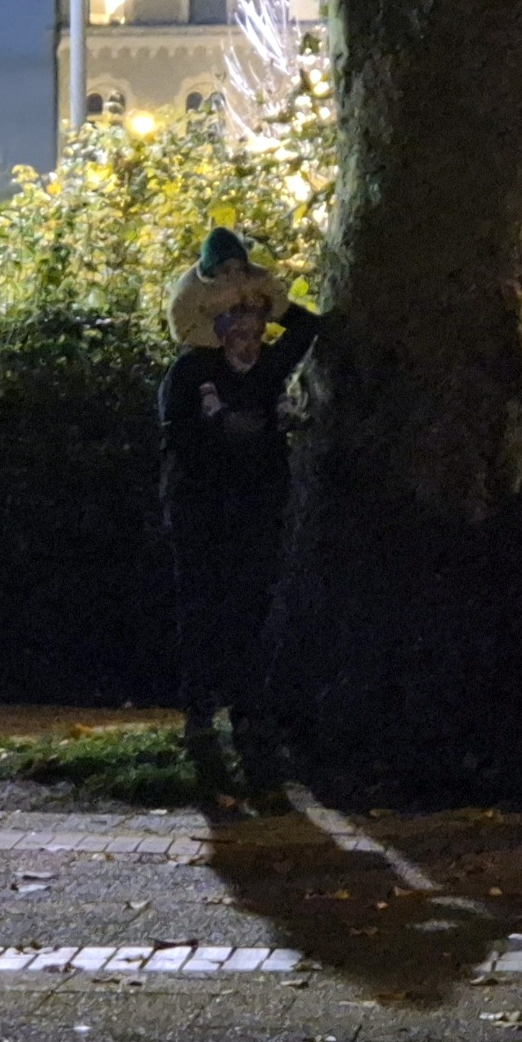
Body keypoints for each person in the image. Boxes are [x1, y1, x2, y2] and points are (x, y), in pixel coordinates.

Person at [159, 266, 321, 789]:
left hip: (255, 515)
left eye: (257, 334)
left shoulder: (268, 370)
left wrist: (268, 296)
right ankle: (200, 712)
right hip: (203, 516)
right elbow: (177, 436)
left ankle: (249, 714)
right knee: (201, 611)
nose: (249, 345)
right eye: (239, 333)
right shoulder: (191, 372)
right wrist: (223, 433)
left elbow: (307, 328)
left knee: (252, 612)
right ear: (219, 333)